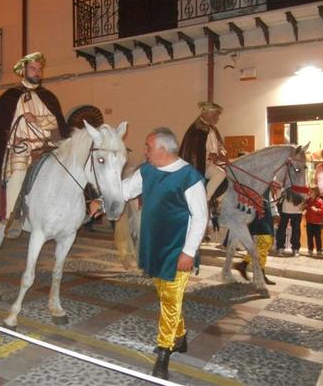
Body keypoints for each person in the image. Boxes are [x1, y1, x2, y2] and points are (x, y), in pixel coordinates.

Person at [93, 127, 208, 380]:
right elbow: (123, 191)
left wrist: (188, 253)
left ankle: (164, 351)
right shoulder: (147, 171)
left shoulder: (189, 177)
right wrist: (101, 202)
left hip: (177, 250)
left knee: (169, 298)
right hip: (154, 245)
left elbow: (200, 218)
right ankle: (180, 337)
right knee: (166, 295)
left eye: (148, 146)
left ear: (162, 149)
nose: (144, 151)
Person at [0, 52, 69, 236]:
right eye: (33, 68)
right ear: (23, 70)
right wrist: (9, 138)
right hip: (20, 148)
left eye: (40, 69)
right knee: (19, 173)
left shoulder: (48, 97)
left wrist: (37, 119)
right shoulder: (10, 96)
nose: (37, 72)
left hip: (46, 147)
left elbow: (57, 123)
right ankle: (12, 218)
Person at [179, 101, 227, 202]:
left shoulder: (213, 129)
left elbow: (219, 145)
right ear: (206, 113)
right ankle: (205, 198)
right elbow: (195, 152)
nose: (217, 118)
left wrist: (221, 153)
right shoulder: (197, 129)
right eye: (215, 115)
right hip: (200, 165)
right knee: (220, 174)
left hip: (213, 164)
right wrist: (209, 155)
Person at [235, 188, 278, 285]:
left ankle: (244, 265)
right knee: (264, 242)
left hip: (266, 213)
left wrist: (275, 213)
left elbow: (269, 197)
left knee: (265, 244)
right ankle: (257, 273)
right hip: (256, 213)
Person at [275, 190, 306, 256]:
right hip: (289, 208)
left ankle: (292, 248)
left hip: (294, 209)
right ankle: (289, 248)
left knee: (292, 230)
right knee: (287, 229)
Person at [304, 186, 323, 256]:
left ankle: (319, 250)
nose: (309, 193)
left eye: (311, 192)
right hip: (309, 222)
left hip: (317, 223)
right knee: (309, 237)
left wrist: (317, 210)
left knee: (317, 237)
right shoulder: (308, 200)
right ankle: (310, 249)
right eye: (309, 192)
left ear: (316, 193)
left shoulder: (320, 201)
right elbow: (306, 207)